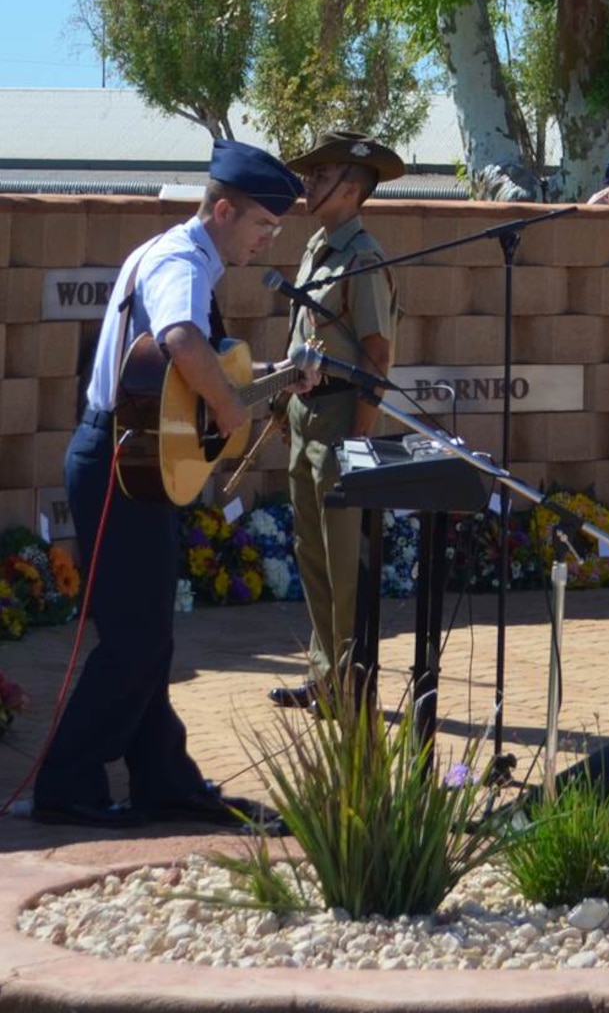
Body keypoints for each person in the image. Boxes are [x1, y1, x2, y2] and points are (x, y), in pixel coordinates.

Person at [32, 141, 304, 830]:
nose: (266, 242)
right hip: (119, 468)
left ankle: (164, 781)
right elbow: (182, 340)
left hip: (137, 465)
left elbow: (189, 367)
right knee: (135, 638)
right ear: (221, 209)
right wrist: (229, 407)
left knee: (148, 634)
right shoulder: (182, 261)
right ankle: (66, 784)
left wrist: (264, 378)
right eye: (260, 228)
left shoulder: (179, 256)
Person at [269, 132, 404, 711]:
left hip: (341, 415)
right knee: (313, 554)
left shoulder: (363, 256)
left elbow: (377, 352)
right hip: (305, 414)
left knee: (343, 562)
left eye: (320, 176)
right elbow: (303, 334)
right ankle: (327, 677)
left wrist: (358, 438)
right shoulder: (319, 246)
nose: (309, 184)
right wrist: (283, 407)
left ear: (352, 188)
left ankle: (353, 688)